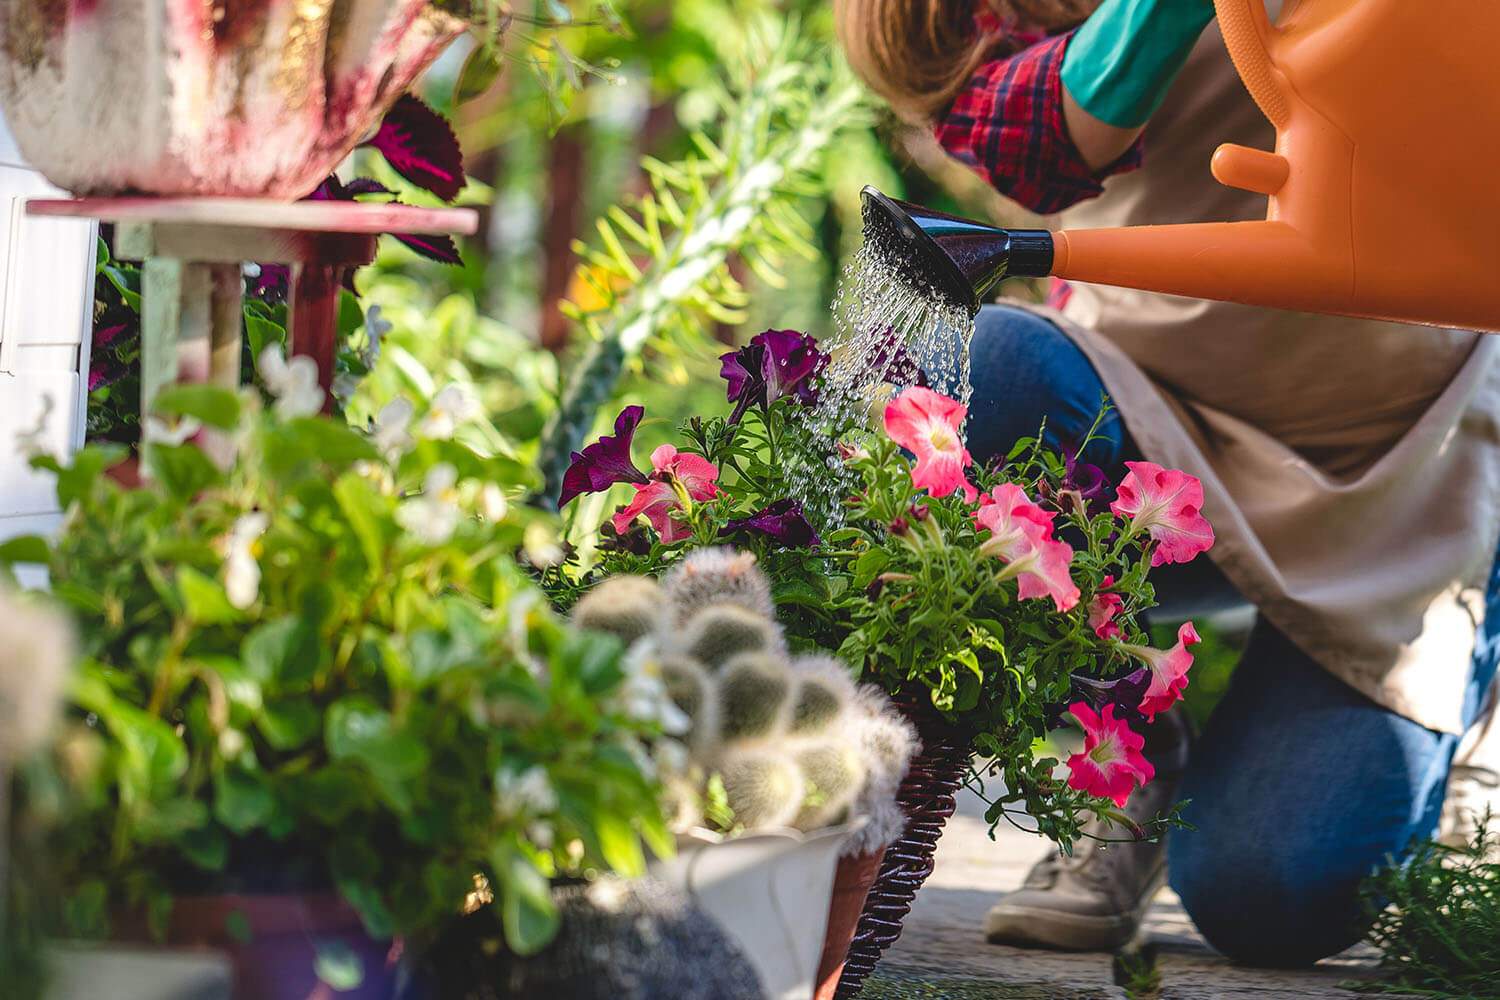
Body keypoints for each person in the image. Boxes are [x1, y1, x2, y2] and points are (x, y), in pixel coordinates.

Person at [835, 0, 1500, 968]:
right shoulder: (972, 18)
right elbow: (1033, 142)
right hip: (1150, 418)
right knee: (988, 379)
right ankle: (1129, 736)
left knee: (1268, 893)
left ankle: (1472, 663)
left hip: (1399, 476)